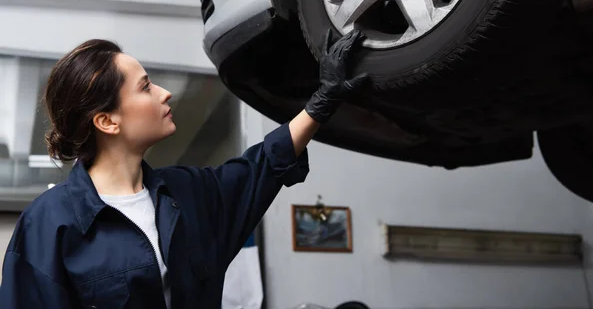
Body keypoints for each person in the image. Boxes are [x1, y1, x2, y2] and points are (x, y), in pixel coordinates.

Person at [0, 29, 369, 309]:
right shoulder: (49, 223)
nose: (164, 93)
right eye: (145, 87)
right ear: (107, 122)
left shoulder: (190, 193)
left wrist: (322, 102)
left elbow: (264, 164)